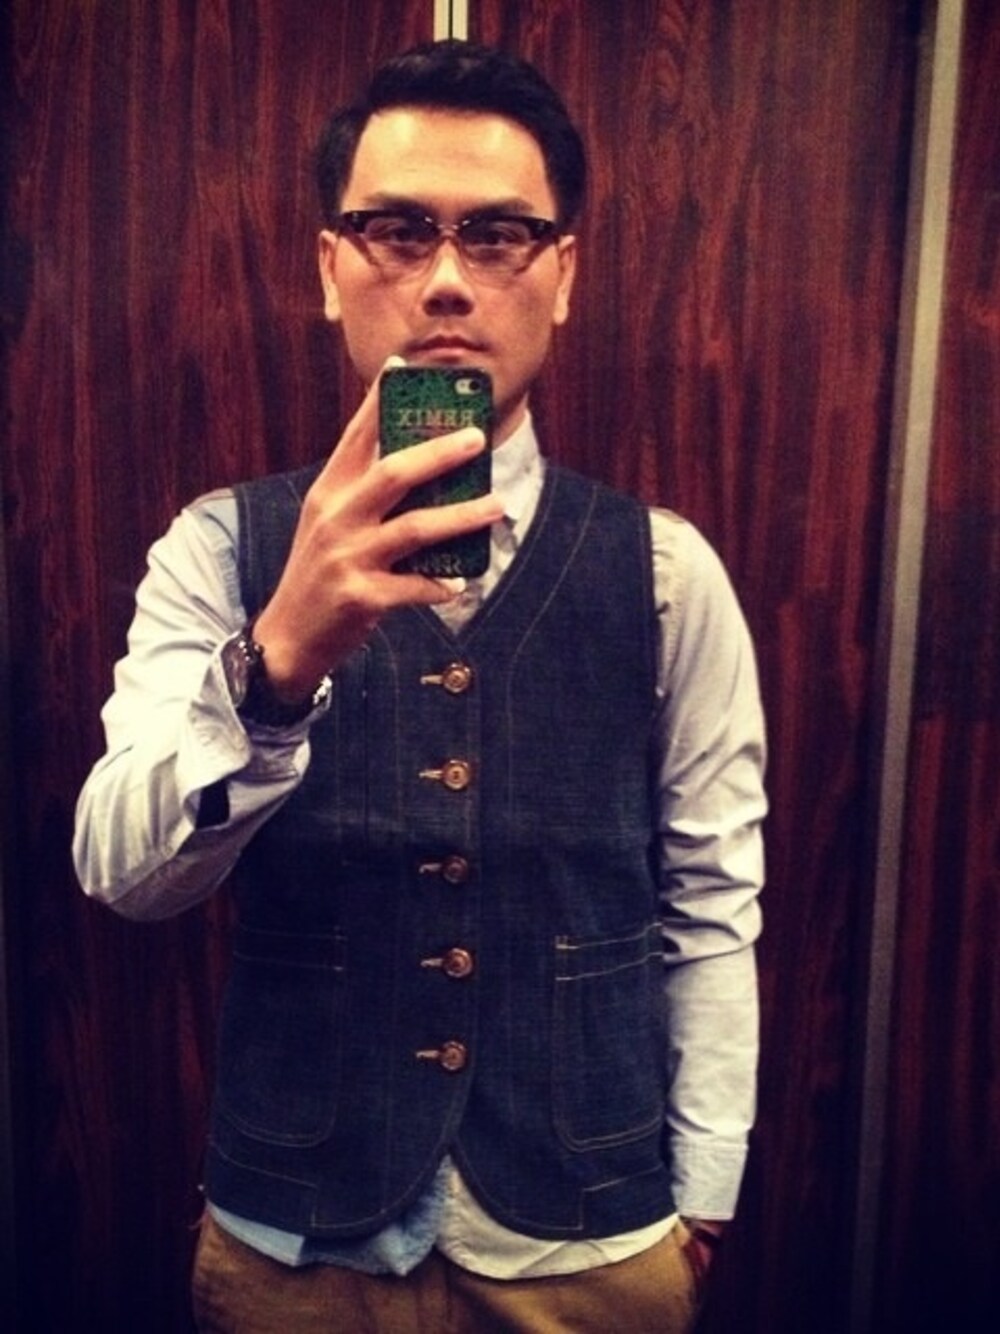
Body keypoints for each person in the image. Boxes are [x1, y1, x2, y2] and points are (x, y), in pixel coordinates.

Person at [74, 40, 766, 1334]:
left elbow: (714, 899)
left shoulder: (669, 573)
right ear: (330, 266)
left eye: (498, 234)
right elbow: (118, 872)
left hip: (592, 1246)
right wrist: (275, 667)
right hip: (291, 1251)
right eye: (397, 230)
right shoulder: (217, 551)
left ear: (564, 274)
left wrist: (704, 1204)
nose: (446, 279)